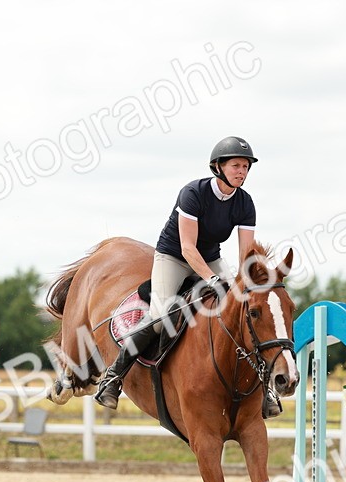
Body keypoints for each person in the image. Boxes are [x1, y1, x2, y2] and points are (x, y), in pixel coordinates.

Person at [95, 136, 260, 409]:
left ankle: (262, 390)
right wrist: (213, 279)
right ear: (218, 167)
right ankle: (113, 378)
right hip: (174, 256)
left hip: (210, 257)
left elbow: (245, 255)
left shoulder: (245, 203)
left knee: (241, 307)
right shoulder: (193, 193)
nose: (241, 171)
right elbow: (187, 247)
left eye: (245, 166)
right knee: (160, 317)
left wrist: (248, 284)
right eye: (236, 165)